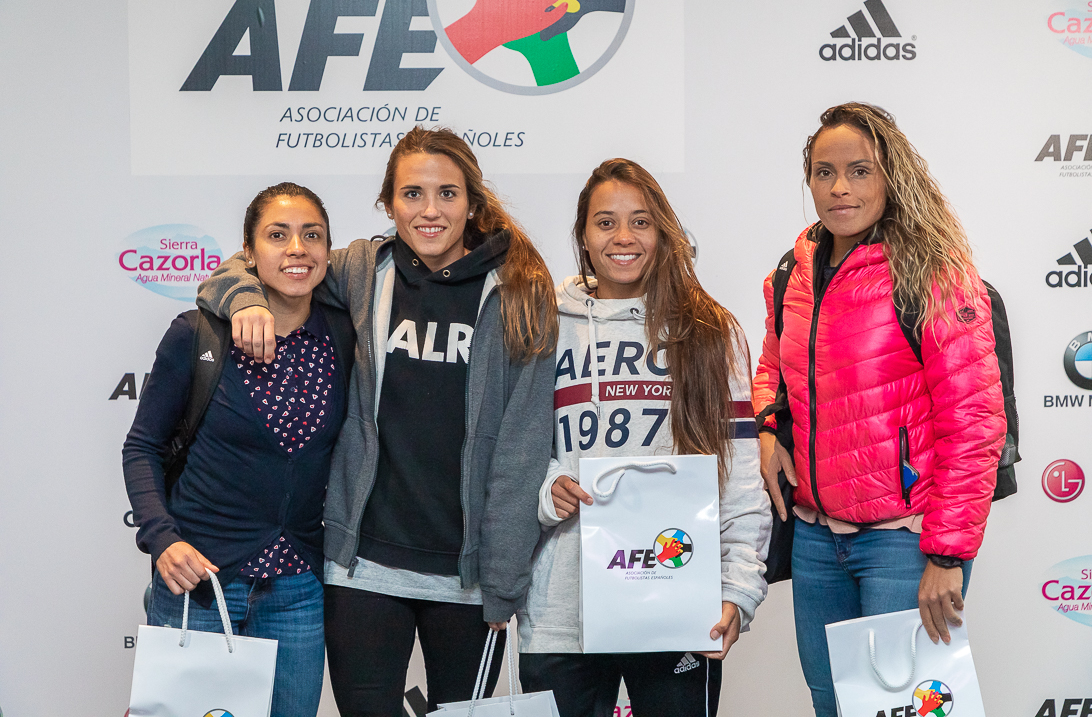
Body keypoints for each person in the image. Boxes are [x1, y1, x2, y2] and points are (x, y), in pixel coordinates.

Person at [197, 127, 558, 717]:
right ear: (388, 203)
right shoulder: (364, 270)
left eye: (447, 193)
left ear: (473, 201)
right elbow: (247, 264)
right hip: (362, 570)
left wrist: (504, 578)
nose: (430, 210)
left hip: (468, 578)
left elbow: (521, 450)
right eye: (412, 194)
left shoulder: (521, 291)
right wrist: (246, 301)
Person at [751, 102, 1005, 717]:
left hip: (904, 543)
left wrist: (947, 555)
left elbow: (974, 424)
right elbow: (771, 368)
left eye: (859, 170)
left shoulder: (933, 273)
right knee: (832, 704)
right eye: (824, 171)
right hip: (815, 539)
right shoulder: (796, 269)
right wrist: (767, 427)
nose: (840, 188)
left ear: (892, 176)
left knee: (903, 710)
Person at [517, 158, 772, 717]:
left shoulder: (706, 331)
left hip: (674, 600)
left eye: (641, 221)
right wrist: (546, 490)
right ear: (583, 236)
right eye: (605, 222)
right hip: (562, 611)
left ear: (663, 231)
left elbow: (738, 472)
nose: (623, 238)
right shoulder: (543, 324)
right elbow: (511, 456)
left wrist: (737, 589)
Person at [123, 183, 353, 717]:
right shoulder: (199, 334)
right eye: (278, 235)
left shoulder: (343, 335)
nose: (297, 248)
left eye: (311, 235)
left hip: (299, 586)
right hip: (201, 580)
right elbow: (142, 447)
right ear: (247, 254)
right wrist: (162, 538)